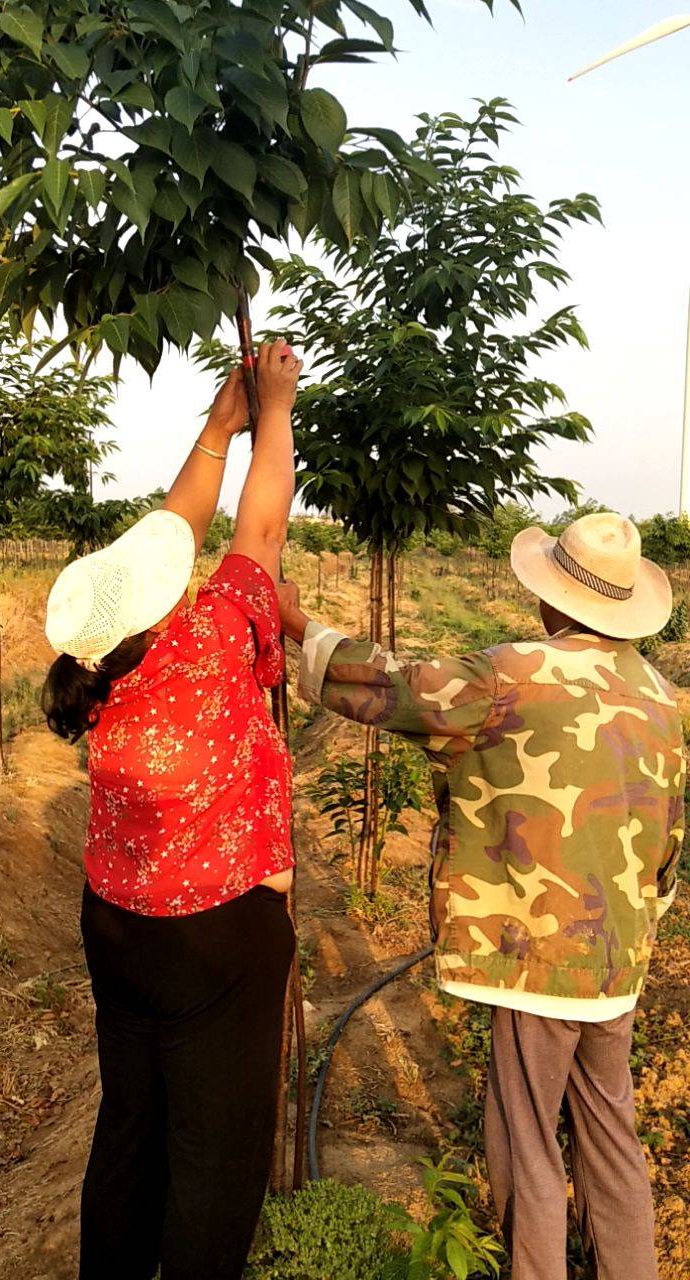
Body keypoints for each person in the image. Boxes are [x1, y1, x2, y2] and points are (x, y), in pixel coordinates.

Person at [277, 512, 686, 1280]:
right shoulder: (664, 697)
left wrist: (300, 625)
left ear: (553, 600)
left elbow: (394, 688)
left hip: (538, 954)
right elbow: (668, 841)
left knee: (528, 1137)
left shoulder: (511, 675)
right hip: (617, 959)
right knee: (611, 1132)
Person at [42, 340, 302, 1280]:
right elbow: (260, 532)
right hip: (219, 937)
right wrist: (274, 406)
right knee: (216, 1156)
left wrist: (218, 427)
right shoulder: (209, 639)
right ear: (159, 607)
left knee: (132, 1127)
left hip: (117, 925)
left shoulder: (92, 673)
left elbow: (166, 540)